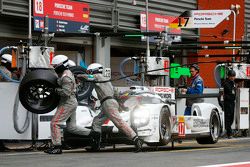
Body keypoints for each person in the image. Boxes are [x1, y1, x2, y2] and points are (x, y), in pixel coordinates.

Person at [77, 63, 143, 152]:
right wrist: (121, 106)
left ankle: (136, 140)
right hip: (109, 103)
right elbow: (116, 95)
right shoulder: (107, 81)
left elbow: (87, 77)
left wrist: (76, 74)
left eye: (89, 72)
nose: (89, 73)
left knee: (119, 123)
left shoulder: (98, 76)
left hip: (108, 103)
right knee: (96, 122)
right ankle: (95, 145)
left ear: (94, 71)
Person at [44, 55, 78, 154]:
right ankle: (92, 135)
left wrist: (54, 90)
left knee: (55, 123)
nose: (54, 68)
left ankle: (57, 147)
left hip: (68, 102)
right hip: (68, 102)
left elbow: (66, 93)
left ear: (61, 65)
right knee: (71, 127)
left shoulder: (66, 77)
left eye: (55, 66)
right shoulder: (65, 73)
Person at [222, 69, 236, 139]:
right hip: (227, 102)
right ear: (228, 76)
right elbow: (222, 94)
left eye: (233, 76)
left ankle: (228, 131)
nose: (232, 77)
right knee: (227, 117)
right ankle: (229, 133)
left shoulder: (233, 83)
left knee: (231, 117)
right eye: (231, 76)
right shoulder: (225, 83)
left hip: (232, 102)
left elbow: (233, 92)